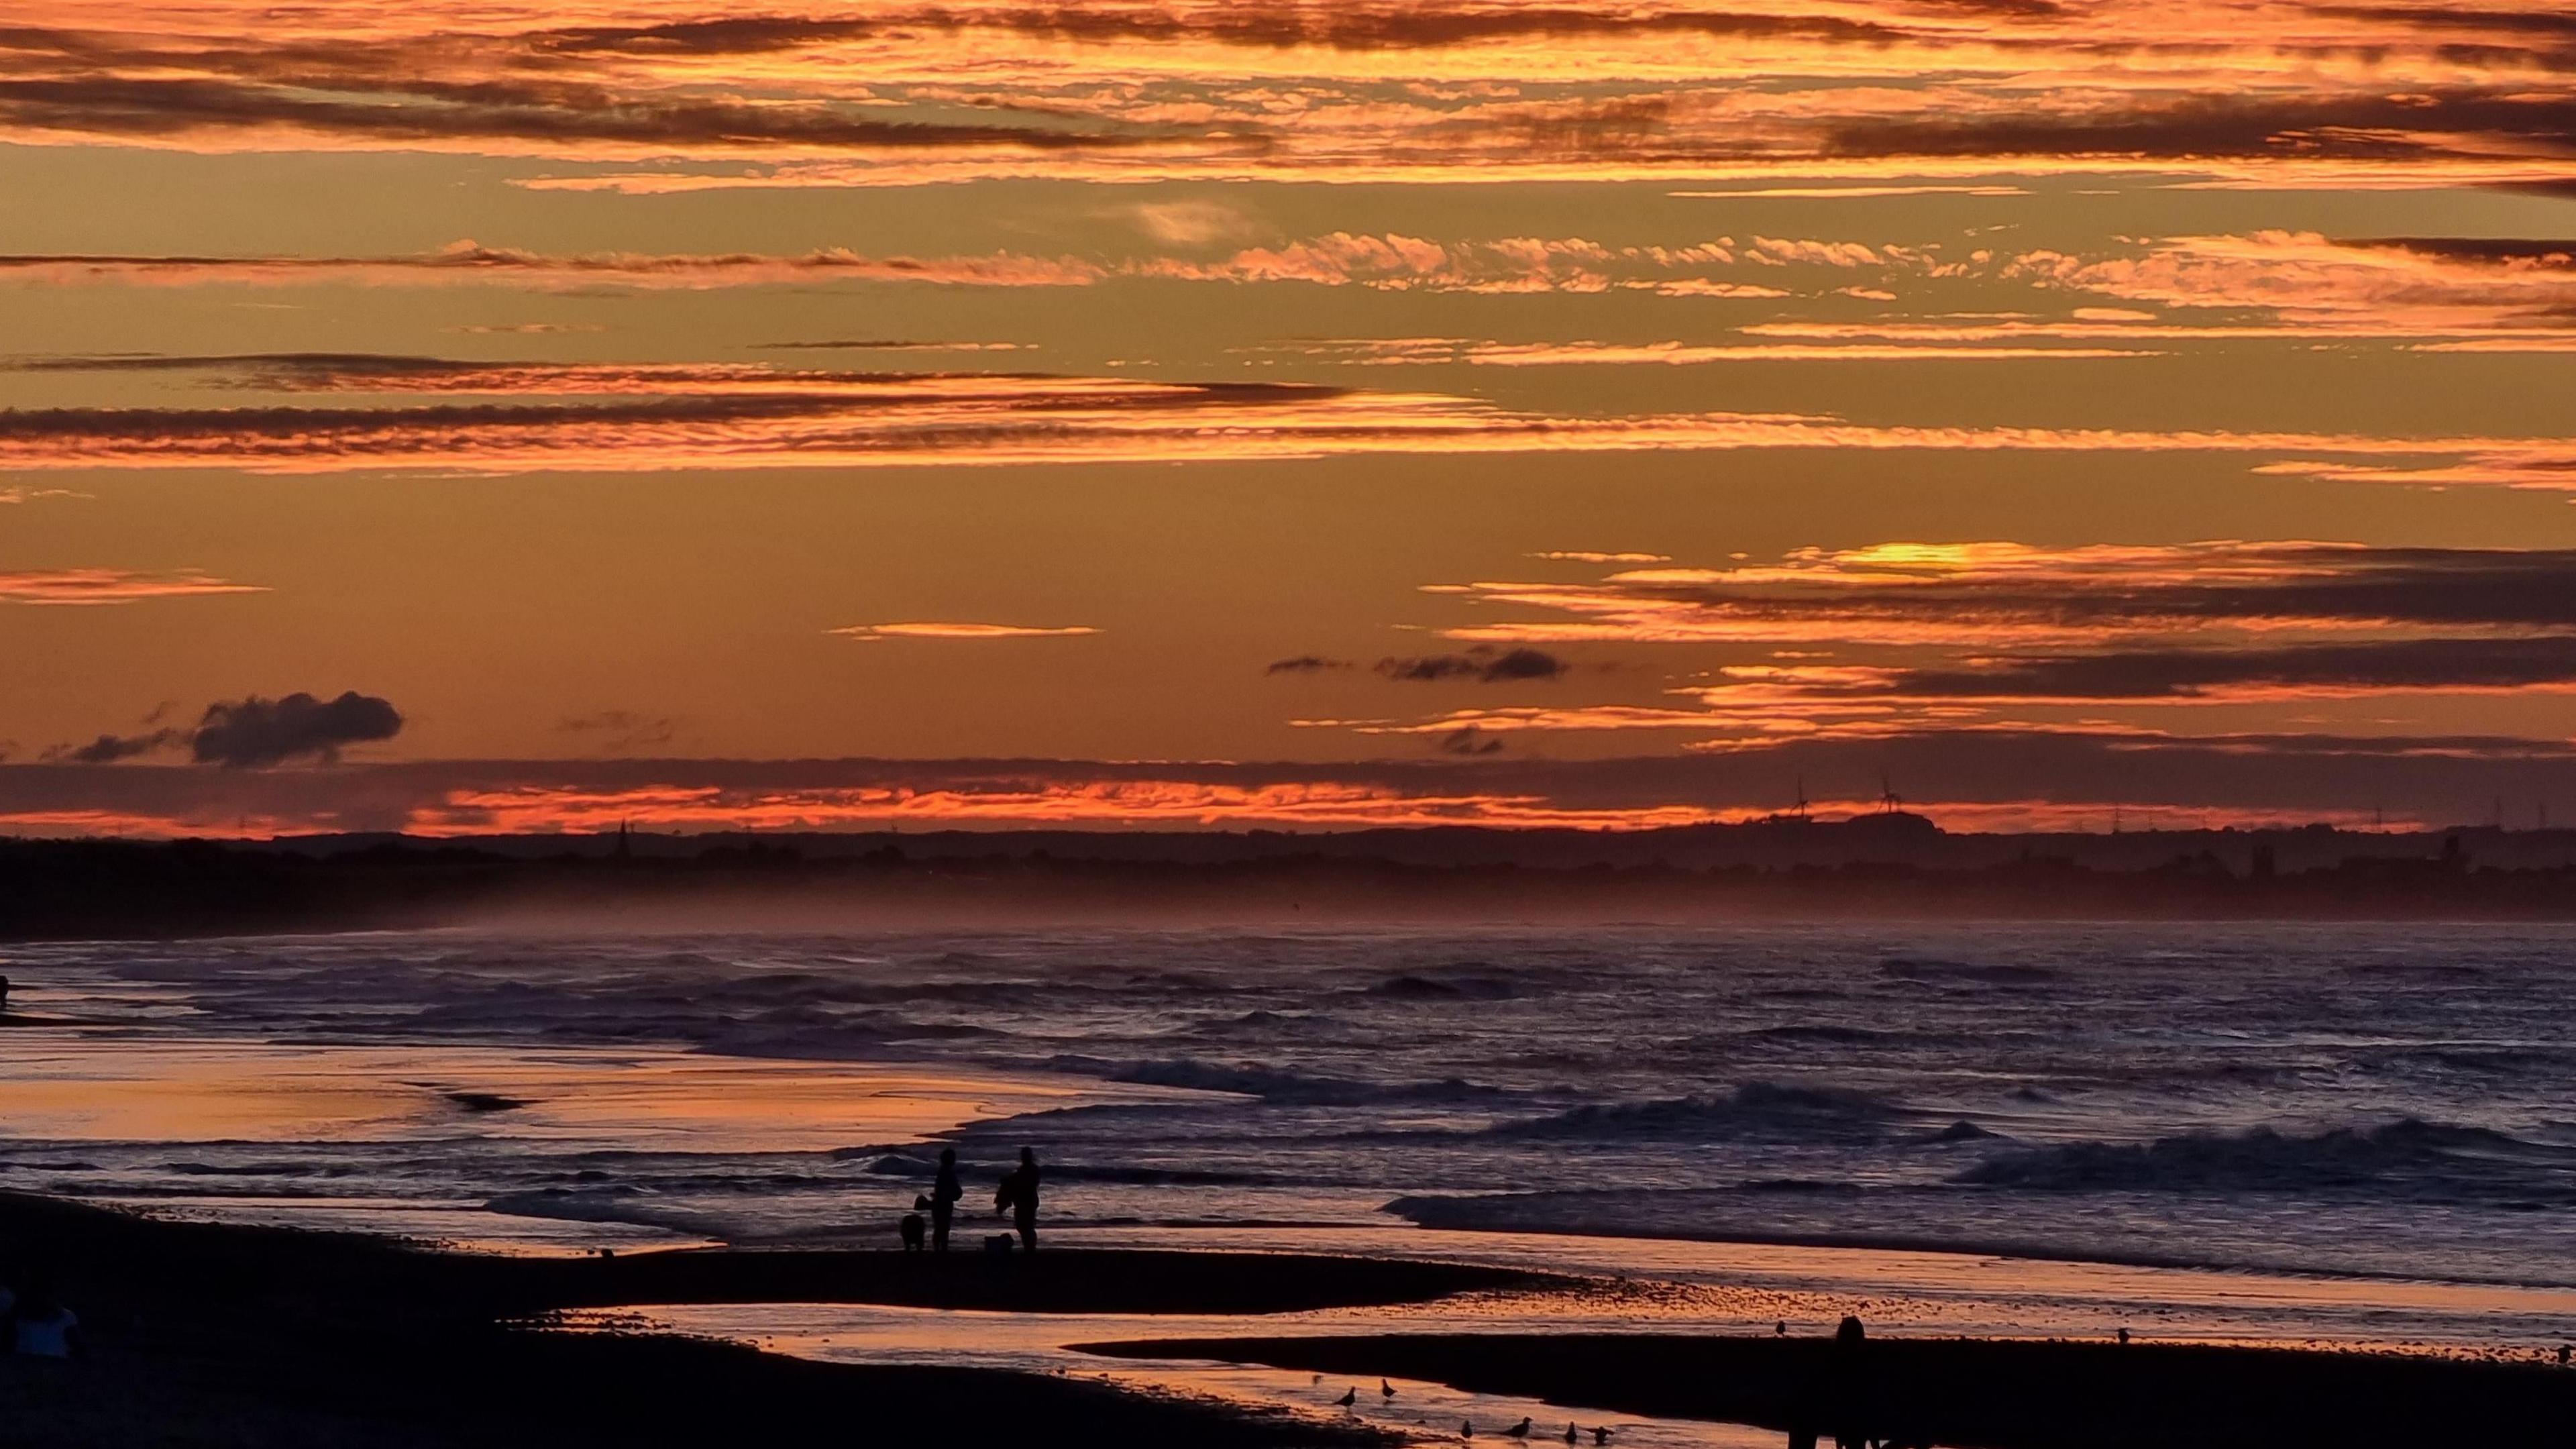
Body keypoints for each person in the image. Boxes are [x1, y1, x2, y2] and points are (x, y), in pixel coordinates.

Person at [9, 1276, 82, 1360]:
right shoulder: (18, 1316)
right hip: (25, 1364)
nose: (41, 1299)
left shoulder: (66, 1317)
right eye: (37, 1295)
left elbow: (78, 1348)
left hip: (56, 1366)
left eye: (45, 1295)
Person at [1002, 1146, 1041, 1252]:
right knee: (1024, 1226)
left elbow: (1030, 1183)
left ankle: (1030, 1248)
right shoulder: (1026, 1170)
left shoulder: (1031, 1170)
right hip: (1025, 1202)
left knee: (1026, 1227)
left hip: (1027, 1202)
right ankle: (1029, 1248)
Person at [931, 1148, 963, 1252]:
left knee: (940, 1227)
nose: (954, 1160)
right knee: (943, 1228)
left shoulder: (943, 1172)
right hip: (944, 1204)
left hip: (941, 1203)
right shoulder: (947, 1173)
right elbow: (948, 1189)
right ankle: (941, 1249)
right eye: (953, 1158)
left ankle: (939, 1249)